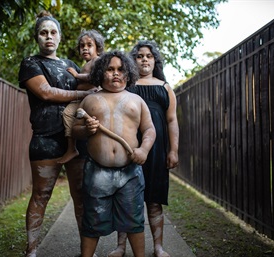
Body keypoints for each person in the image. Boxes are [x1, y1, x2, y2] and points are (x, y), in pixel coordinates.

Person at [18, 11, 96, 257]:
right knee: (41, 194)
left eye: (53, 32)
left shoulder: (71, 66)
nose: (48, 37)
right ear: (37, 37)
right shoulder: (31, 63)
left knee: (81, 197)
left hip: (76, 138)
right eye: (43, 33)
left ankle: (87, 252)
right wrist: (81, 94)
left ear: (60, 37)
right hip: (45, 139)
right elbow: (46, 93)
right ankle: (31, 250)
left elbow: (93, 87)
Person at [72, 50, 157, 257]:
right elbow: (74, 130)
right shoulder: (90, 100)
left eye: (120, 69)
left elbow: (149, 129)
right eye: (110, 69)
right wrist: (86, 130)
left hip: (130, 173)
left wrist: (144, 149)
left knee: (134, 220)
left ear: (128, 74)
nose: (115, 73)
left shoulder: (136, 100)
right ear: (101, 73)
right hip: (96, 172)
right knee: (92, 220)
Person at [108, 41, 179, 257]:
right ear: (133, 60)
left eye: (149, 55)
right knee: (125, 199)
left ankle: (158, 247)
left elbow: (172, 120)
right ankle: (121, 247)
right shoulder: (126, 86)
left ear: (155, 59)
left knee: (154, 199)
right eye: (139, 56)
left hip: (157, 151)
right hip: (129, 149)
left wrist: (173, 150)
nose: (144, 59)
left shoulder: (165, 87)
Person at [58, 29, 105, 164]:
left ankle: (75, 148)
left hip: (91, 99)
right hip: (81, 99)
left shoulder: (97, 61)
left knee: (78, 117)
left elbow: (96, 77)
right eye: (82, 46)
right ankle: (72, 148)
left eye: (89, 45)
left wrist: (77, 76)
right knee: (68, 114)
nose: (85, 48)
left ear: (98, 47)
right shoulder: (86, 64)